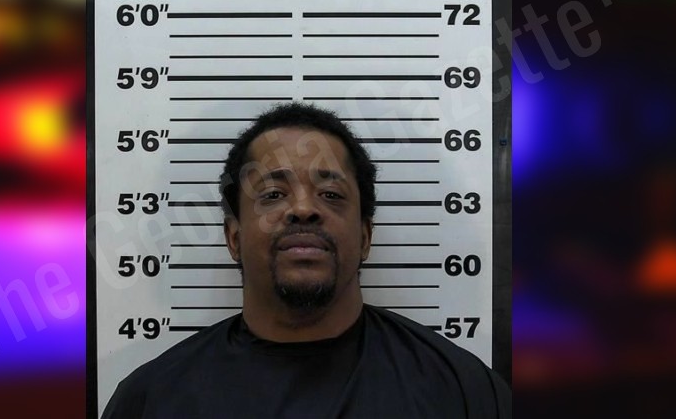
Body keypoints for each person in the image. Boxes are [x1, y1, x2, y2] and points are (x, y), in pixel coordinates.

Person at [102, 102, 510, 418]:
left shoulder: (462, 391)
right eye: (272, 195)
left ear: (365, 237)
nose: (302, 209)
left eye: (331, 195)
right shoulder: (152, 400)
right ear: (234, 237)